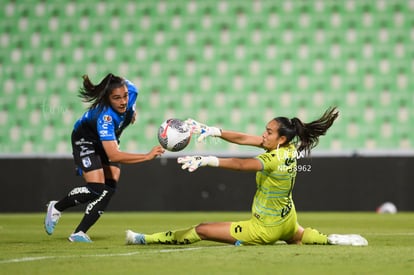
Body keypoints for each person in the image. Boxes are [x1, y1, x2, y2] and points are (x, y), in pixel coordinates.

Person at [126, 107, 368, 246]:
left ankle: (143, 239)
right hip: (287, 219)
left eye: (268, 132)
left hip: (264, 228)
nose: (263, 135)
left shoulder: (273, 159)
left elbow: (242, 164)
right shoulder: (288, 149)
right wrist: (213, 131)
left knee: (202, 229)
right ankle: (331, 240)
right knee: (299, 236)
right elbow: (245, 139)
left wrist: (208, 159)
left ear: (281, 138)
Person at [44, 73, 165, 242]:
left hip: (108, 139)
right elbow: (113, 155)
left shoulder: (131, 90)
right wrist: (146, 156)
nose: (123, 101)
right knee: (96, 188)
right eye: (117, 98)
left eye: (125, 96)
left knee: (110, 186)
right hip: (86, 141)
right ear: (107, 99)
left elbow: (123, 89)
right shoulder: (105, 118)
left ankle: (79, 232)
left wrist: (132, 112)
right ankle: (56, 207)